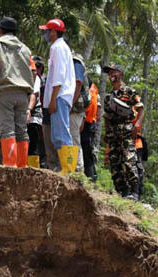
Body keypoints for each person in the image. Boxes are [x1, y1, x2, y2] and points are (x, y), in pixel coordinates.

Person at [0, 17, 35, 168]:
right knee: (22, 132)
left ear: (0, 30)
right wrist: (29, 89)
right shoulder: (25, 49)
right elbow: (33, 71)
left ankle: (10, 167)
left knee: (7, 131)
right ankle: (21, 167)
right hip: (23, 94)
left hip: (4, 93)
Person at [39, 18, 78, 174]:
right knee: (57, 135)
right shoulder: (59, 47)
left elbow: (59, 76)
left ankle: (68, 170)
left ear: (53, 32)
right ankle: (65, 169)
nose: (45, 34)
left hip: (60, 96)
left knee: (62, 134)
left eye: (47, 31)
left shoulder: (58, 47)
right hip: (60, 96)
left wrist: (53, 99)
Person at [103, 64, 144, 200]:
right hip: (113, 133)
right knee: (115, 163)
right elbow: (107, 117)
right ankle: (122, 192)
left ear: (120, 74)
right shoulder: (108, 97)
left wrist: (137, 124)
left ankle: (135, 192)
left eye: (113, 72)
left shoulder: (129, 91)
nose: (111, 75)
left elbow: (140, 108)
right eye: (109, 73)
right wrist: (106, 132)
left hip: (126, 130)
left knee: (129, 160)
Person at [71, 53, 90, 172]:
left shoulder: (76, 62)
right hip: (77, 110)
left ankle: (78, 171)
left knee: (74, 141)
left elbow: (78, 83)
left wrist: (70, 104)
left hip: (74, 110)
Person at [81, 81, 100, 181]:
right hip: (90, 123)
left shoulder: (91, 91)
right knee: (88, 151)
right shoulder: (94, 90)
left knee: (87, 151)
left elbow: (87, 108)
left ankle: (91, 177)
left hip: (87, 123)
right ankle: (92, 176)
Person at [26, 58, 43, 168]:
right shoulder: (23, 77)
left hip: (34, 116)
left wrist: (29, 110)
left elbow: (34, 95)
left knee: (33, 146)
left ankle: (34, 172)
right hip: (21, 115)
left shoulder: (36, 78)